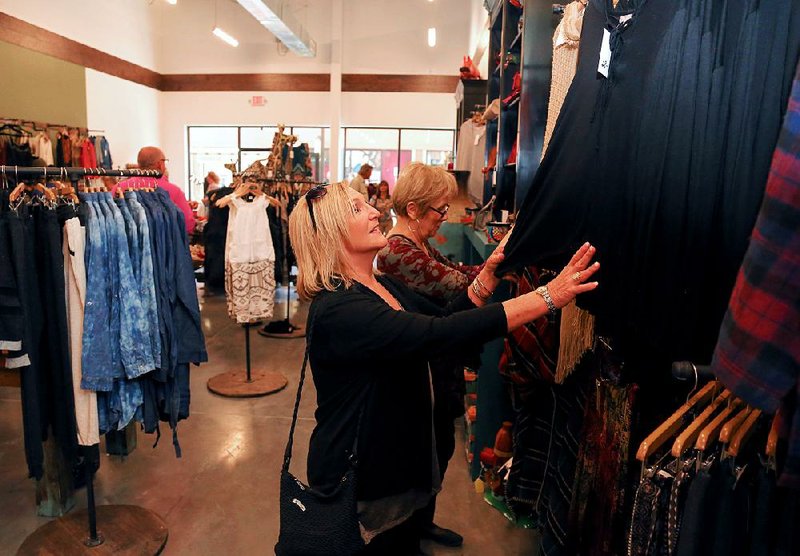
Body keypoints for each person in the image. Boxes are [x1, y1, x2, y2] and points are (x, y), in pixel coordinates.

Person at [288, 181, 599, 554]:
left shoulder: (380, 285)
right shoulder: (339, 308)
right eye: (358, 209)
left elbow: (443, 318)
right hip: (359, 477)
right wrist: (548, 297)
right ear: (330, 231)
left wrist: (489, 274)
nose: (375, 212)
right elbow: (438, 334)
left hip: (392, 467)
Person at [376, 162, 485, 547]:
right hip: (417, 371)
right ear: (413, 210)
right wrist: (495, 267)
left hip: (437, 366)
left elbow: (456, 270)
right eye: (440, 210)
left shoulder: (418, 245)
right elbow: (455, 282)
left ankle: (422, 525)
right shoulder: (396, 251)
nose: (444, 217)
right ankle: (406, 537)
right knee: (422, 455)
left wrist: (491, 265)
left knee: (439, 447)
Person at [112, 146, 195, 236]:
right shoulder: (174, 191)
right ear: (160, 164)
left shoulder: (118, 188)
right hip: (165, 245)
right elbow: (188, 224)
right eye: (164, 161)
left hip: (128, 245)